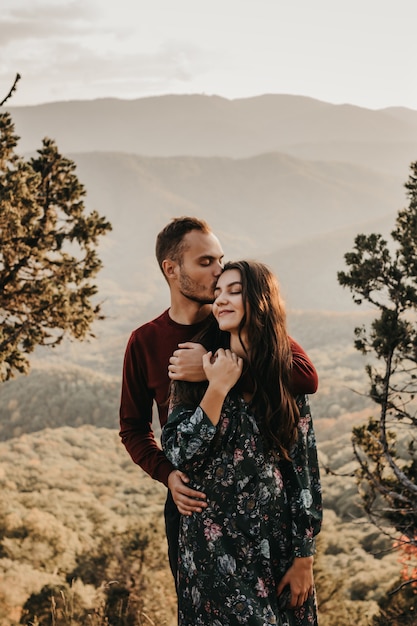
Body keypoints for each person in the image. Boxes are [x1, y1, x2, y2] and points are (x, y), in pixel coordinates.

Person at [119, 217, 319, 585]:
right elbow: (133, 428)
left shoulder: (236, 323)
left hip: (259, 512)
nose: (218, 271)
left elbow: (305, 375)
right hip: (192, 507)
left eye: (220, 259)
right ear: (172, 269)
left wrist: (220, 372)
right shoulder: (145, 341)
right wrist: (167, 475)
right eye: (205, 262)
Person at [161, 260, 322, 626]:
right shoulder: (195, 369)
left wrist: (304, 556)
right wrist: (216, 387)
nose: (221, 300)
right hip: (212, 545)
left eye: (234, 291)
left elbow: (303, 471)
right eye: (218, 292)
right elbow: (179, 453)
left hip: (276, 542)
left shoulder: (286, 379)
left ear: (260, 300)